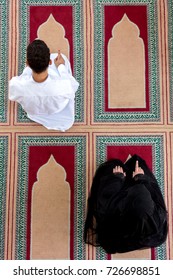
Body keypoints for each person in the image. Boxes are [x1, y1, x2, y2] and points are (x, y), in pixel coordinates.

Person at [84, 154, 168, 254]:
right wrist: (140, 179)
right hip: (139, 223)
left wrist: (115, 180)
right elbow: (152, 194)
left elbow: (105, 205)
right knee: (141, 194)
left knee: (113, 171)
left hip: (120, 228)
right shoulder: (156, 224)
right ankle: (134, 188)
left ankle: (126, 187)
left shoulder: (113, 223)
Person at [9, 39, 79, 131]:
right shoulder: (64, 85)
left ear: (27, 64)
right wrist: (61, 66)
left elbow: (13, 96)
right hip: (57, 109)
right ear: (50, 62)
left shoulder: (16, 85)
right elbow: (74, 87)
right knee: (62, 58)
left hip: (33, 113)